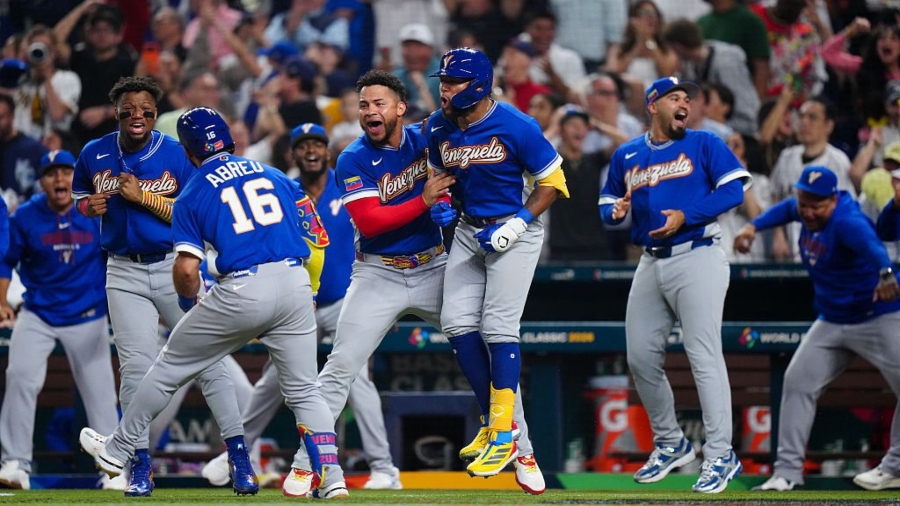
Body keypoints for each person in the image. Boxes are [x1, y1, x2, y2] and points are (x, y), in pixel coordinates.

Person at [78, 106, 349, 498]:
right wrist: (308, 289)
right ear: (232, 141)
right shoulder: (276, 175)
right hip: (294, 283)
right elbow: (317, 237)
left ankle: (117, 451)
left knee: (170, 365)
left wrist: (191, 303)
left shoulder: (193, 191)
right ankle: (333, 476)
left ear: (189, 154)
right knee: (306, 389)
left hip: (243, 287)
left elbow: (188, 269)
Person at [200, 122, 404, 492]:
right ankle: (235, 453)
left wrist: (383, 299)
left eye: (318, 144)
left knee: (357, 379)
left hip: (345, 300)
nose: (311, 151)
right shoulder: (280, 187)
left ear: (328, 151)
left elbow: (379, 231)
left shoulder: (347, 181)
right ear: (293, 154)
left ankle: (384, 468)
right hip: (298, 302)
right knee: (273, 381)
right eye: (303, 145)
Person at [276, 69, 451, 496]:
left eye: (379, 103)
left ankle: (520, 447)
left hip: (435, 265)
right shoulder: (352, 157)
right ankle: (307, 464)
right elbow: (371, 222)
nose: (370, 111)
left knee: (489, 344)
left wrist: (448, 203)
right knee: (339, 370)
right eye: (364, 104)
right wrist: (426, 199)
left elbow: (456, 171)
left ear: (400, 108)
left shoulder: (427, 138)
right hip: (379, 271)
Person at [71, 77, 244, 497]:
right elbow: (80, 198)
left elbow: (194, 217)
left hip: (175, 264)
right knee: (134, 368)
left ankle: (239, 458)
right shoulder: (94, 152)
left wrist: (143, 197)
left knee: (211, 361)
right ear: (117, 111)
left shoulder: (175, 152)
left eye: (146, 109)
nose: (138, 116)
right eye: (129, 108)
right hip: (123, 270)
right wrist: (87, 206)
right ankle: (139, 466)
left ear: (155, 112)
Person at [599, 76, 751, 493]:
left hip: (698, 254)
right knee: (640, 358)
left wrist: (688, 215)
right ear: (653, 105)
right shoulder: (627, 153)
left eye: (688, 98)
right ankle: (670, 442)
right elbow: (607, 202)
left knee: (703, 354)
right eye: (674, 97)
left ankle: (721, 453)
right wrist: (616, 212)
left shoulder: (704, 143)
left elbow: (734, 191)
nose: (684, 103)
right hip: (651, 260)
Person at [425, 47, 567, 488]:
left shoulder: (517, 125)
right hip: (470, 230)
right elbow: (440, 180)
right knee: (455, 323)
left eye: (454, 82)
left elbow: (554, 183)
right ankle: (494, 423)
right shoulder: (437, 126)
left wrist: (520, 222)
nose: (445, 89)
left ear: (480, 84)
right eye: (443, 81)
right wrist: (442, 207)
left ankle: (504, 433)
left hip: (516, 228)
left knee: (498, 326)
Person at [734, 166, 900, 492]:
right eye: (804, 203)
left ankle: (894, 467)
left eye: (816, 206)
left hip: (877, 315)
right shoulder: (804, 206)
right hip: (832, 320)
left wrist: (885, 275)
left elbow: (873, 246)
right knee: (797, 382)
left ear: (833, 200)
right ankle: (786, 473)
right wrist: (753, 226)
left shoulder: (846, 220)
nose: (808, 212)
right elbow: (785, 209)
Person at [0, 150, 121, 491]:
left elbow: (118, 256)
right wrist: (1, 302)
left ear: (76, 177)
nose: (59, 179)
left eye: (66, 172)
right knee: (20, 378)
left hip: (88, 314)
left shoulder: (96, 211)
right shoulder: (25, 216)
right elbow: (4, 261)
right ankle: (15, 464)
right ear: (41, 181)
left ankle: (112, 468)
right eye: (51, 173)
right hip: (38, 312)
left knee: (100, 395)